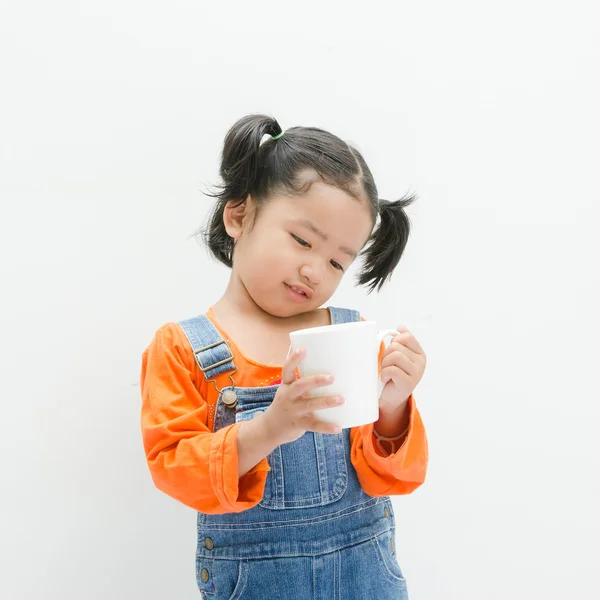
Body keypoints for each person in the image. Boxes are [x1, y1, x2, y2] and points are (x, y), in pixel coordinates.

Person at [140, 114, 429, 599]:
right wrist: (270, 428)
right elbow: (174, 468)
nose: (315, 270)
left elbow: (392, 479)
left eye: (338, 261)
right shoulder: (182, 348)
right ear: (238, 215)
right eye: (301, 240)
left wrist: (393, 406)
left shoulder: (352, 336)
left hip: (365, 580)